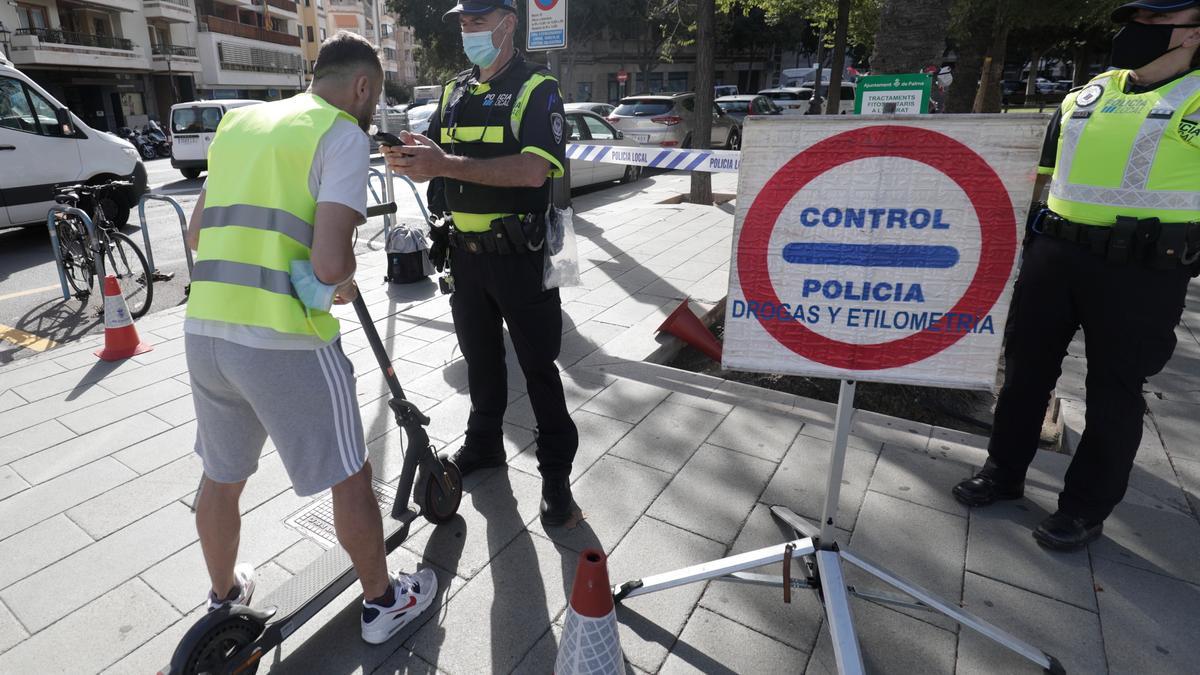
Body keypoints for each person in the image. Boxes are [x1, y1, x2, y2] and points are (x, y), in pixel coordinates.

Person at [183, 31, 436, 644]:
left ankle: (224, 595)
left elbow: (195, 235)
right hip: (286, 341)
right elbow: (329, 266)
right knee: (350, 470)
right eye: (372, 97)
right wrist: (341, 281)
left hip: (207, 331)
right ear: (363, 87)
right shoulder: (342, 134)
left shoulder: (240, 124)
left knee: (222, 476)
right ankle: (382, 603)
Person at [953, 0, 1200, 552]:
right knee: (1023, 372)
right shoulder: (1086, 95)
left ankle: (1084, 509)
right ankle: (1003, 472)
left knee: (1114, 390)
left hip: (1142, 271)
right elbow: (1039, 174)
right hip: (1055, 254)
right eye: (1137, 20)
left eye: (1158, 22)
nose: (1139, 31)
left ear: (1192, 35)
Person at [383, 0, 580, 526]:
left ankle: (556, 476)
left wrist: (443, 162)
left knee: (539, 366)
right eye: (463, 23)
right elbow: (444, 159)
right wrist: (415, 155)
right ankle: (484, 445)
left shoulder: (538, 89)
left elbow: (535, 171)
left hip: (520, 256)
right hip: (465, 258)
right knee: (481, 361)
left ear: (508, 23)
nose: (467, 30)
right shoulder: (454, 90)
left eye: (477, 21)